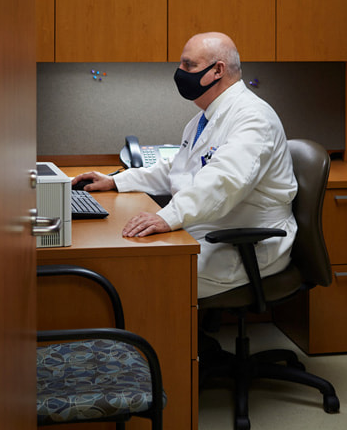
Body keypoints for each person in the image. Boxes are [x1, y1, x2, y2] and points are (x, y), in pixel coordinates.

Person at [71, 32, 298, 298]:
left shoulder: (253, 118)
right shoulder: (204, 118)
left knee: (140, 271)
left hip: (246, 244)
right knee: (128, 257)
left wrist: (166, 217)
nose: (179, 72)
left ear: (218, 71)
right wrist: (116, 181)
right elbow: (178, 168)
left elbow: (223, 182)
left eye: (189, 65)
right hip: (210, 230)